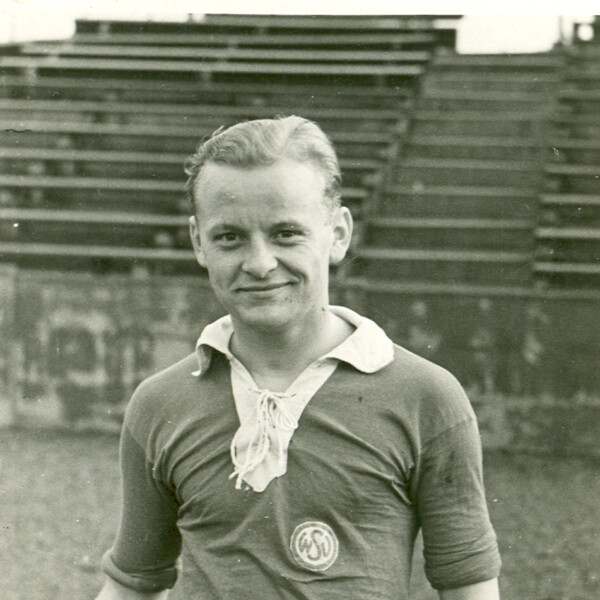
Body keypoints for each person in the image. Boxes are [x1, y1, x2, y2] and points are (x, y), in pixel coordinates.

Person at [95, 116, 501, 600]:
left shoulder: (427, 397)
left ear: (338, 233)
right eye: (230, 237)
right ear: (198, 242)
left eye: (286, 233)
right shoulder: (159, 403)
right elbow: (134, 586)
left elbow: (469, 589)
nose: (260, 263)